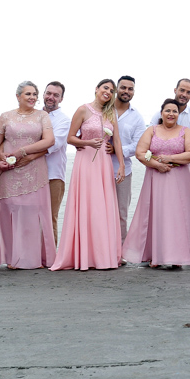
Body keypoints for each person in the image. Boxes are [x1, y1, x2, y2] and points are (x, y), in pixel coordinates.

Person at [50, 79, 126, 271]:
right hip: (85, 162)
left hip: (104, 163)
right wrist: (89, 143)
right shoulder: (83, 110)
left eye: (111, 90)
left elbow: (116, 140)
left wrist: (122, 165)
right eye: (105, 88)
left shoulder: (111, 114)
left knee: (102, 207)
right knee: (86, 205)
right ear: (96, 89)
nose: (108, 92)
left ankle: (102, 255)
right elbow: (70, 138)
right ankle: (83, 255)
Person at [122, 99, 190, 268]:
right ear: (161, 113)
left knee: (177, 216)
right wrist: (157, 165)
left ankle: (177, 256)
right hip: (155, 179)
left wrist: (169, 159)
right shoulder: (152, 130)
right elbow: (140, 152)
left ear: (178, 115)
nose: (171, 114)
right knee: (156, 215)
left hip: (180, 180)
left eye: (175, 111)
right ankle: (154, 255)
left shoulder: (185, 131)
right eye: (168, 110)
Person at [0, 81, 56, 270]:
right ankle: (12, 258)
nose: (32, 97)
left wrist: (22, 152)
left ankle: (31, 258)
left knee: (32, 212)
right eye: (28, 94)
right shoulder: (5, 117)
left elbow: (49, 140)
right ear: (18, 96)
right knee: (9, 210)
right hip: (8, 170)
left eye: (35, 94)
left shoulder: (42, 116)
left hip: (34, 169)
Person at [106, 76, 146, 243]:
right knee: (100, 210)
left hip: (123, 171)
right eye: (123, 88)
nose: (126, 91)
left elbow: (139, 145)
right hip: (99, 167)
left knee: (121, 212)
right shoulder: (103, 109)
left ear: (133, 92)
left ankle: (119, 249)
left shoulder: (137, 117)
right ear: (116, 89)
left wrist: (118, 150)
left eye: (130, 89)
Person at [151, 79, 190, 187]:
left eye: (188, 92)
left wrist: (169, 154)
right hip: (160, 167)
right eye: (182, 90)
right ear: (175, 90)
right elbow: (149, 140)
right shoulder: (158, 115)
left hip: (188, 168)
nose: (184, 94)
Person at [43, 81, 70, 243]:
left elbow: (53, 144)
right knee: (31, 216)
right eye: (48, 93)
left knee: (50, 216)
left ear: (61, 99)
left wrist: (24, 153)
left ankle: (50, 257)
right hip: (31, 173)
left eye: (56, 95)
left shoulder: (64, 120)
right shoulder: (34, 115)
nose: (51, 97)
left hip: (54, 174)